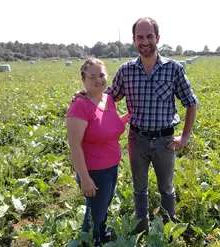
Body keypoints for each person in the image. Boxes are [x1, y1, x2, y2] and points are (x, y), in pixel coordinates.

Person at [76, 17, 198, 233]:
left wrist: (185, 137)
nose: (145, 41)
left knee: (166, 189)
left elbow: (191, 103)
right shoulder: (126, 71)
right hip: (137, 139)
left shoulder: (174, 69)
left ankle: (168, 230)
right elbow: (109, 96)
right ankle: (141, 229)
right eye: (140, 37)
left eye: (149, 36)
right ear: (134, 40)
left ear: (157, 38)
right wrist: (85, 95)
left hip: (165, 140)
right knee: (139, 189)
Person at [66, 58, 129, 245]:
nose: (98, 80)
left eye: (101, 75)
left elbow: (112, 126)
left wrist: (133, 114)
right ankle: (89, 241)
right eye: (92, 76)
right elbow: (75, 145)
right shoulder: (80, 105)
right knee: (94, 214)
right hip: (94, 171)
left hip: (111, 167)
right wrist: (85, 179)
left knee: (103, 208)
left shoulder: (108, 99)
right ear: (83, 79)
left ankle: (100, 235)